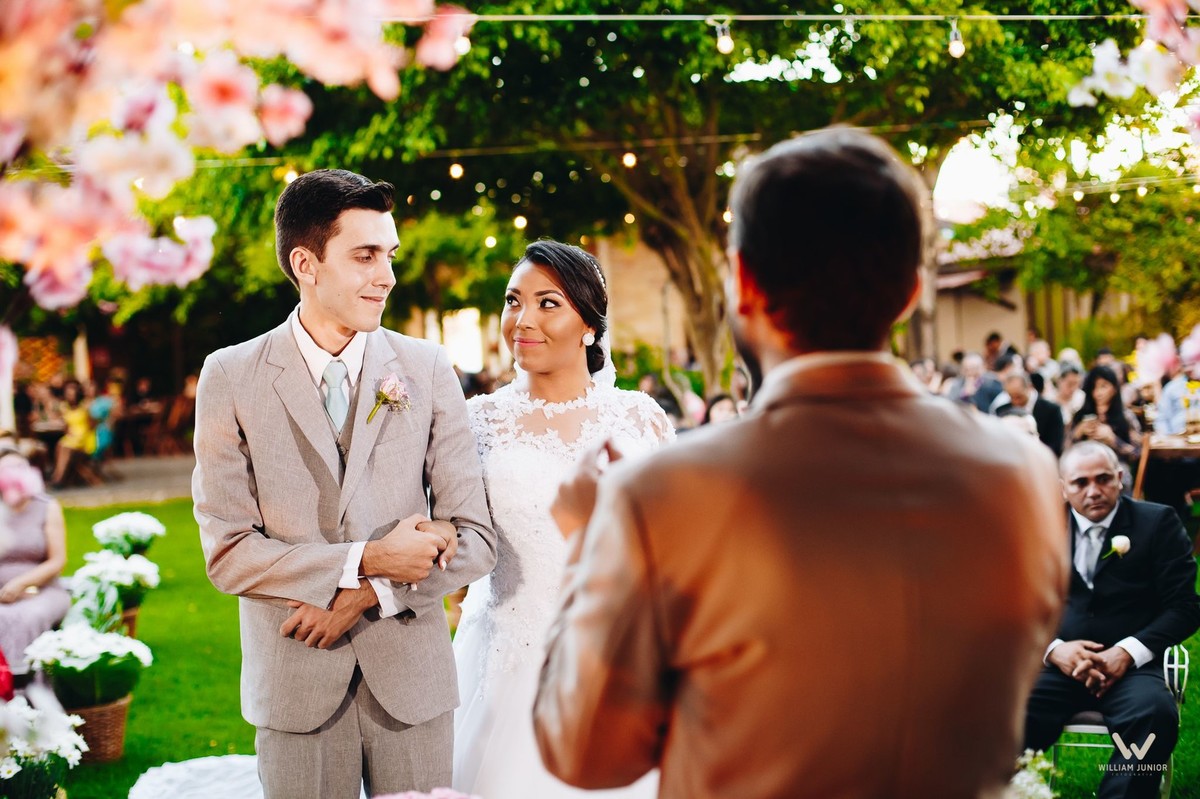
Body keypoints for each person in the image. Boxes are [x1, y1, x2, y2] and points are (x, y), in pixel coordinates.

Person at [533, 128, 1067, 798]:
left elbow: (583, 753)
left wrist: (590, 540)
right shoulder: (1025, 475)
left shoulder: (661, 495)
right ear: (911, 291)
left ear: (745, 283)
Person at [193, 169, 496, 799]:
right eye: (365, 255)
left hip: (412, 686)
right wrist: (372, 559)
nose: (385, 274)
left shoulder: (427, 367)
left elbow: (476, 539)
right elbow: (227, 554)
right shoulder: (230, 376)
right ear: (305, 263)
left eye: (389, 255)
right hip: (294, 685)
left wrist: (367, 593)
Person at [452, 240, 671, 798]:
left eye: (548, 303)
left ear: (589, 327)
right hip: (508, 662)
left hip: (625, 663)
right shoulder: (474, 423)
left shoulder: (640, 418)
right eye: (513, 300)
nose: (523, 320)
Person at [1024, 442, 1200, 799]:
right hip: (1059, 667)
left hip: (1133, 670)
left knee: (1154, 715)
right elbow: (1012, 606)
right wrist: (1054, 649)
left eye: (1103, 479)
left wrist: (1127, 652)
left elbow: (1185, 607)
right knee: (1001, 714)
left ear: (1119, 479)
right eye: (1080, 482)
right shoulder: (1038, 526)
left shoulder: (1157, 522)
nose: (1093, 491)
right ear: (1062, 488)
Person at [0, 448, 70, 681]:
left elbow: (58, 560)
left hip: (42, 590)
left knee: (28, 616)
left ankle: (26, 684)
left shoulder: (46, 506)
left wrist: (21, 584)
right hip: (2, 594)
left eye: (20, 467)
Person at [1070, 365, 1142, 482]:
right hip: (1084, 469)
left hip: (1115, 471)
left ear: (1114, 389)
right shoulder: (1081, 415)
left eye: (1103, 386)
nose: (1098, 392)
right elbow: (1065, 451)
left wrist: (1113, 439)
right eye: (1094, 387)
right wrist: (1078, 433)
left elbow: (1137, 453)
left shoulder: (1125, 417)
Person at [995, 371, 1065, 455]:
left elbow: (1056, 445)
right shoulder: (1001, 411)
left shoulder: (1052, 410)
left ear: (1029, 387)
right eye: (1011, 397)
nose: (1015, 402)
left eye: (1019, 397)